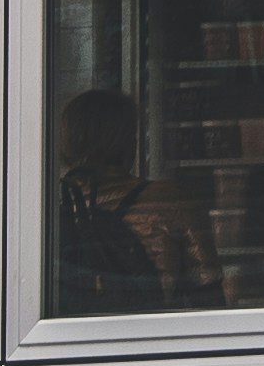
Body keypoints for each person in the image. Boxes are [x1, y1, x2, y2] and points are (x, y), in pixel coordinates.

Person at [52, 89, 218, 311]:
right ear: (127, 143)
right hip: (150, 329)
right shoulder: (170, 201)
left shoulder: (47, 211)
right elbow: (208, 290)